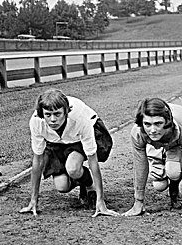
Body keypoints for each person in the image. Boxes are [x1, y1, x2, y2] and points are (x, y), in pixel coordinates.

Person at [19, 89, 117, 217]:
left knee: (73, 168)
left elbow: (92, 159)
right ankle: (82, 179)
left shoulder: (80, 119)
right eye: (48, 114)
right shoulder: (36, 121)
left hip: (78, 138)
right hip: (56, 141)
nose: (53, 119)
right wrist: (33, 200)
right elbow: (38, 160)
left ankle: (89, 185)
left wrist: (101, 201)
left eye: (57, 114)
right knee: (62, 186)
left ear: (66, 112)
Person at [123, 98, 182, 218]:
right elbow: (140, 164)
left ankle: (175, 186)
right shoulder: (138, 132)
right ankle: (165, 165)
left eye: (158, 123)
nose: (152, 130)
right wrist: (138, 202)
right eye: (147, 124)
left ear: (167, 121)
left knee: (174, 172)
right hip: (158, 140)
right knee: (159, 185)